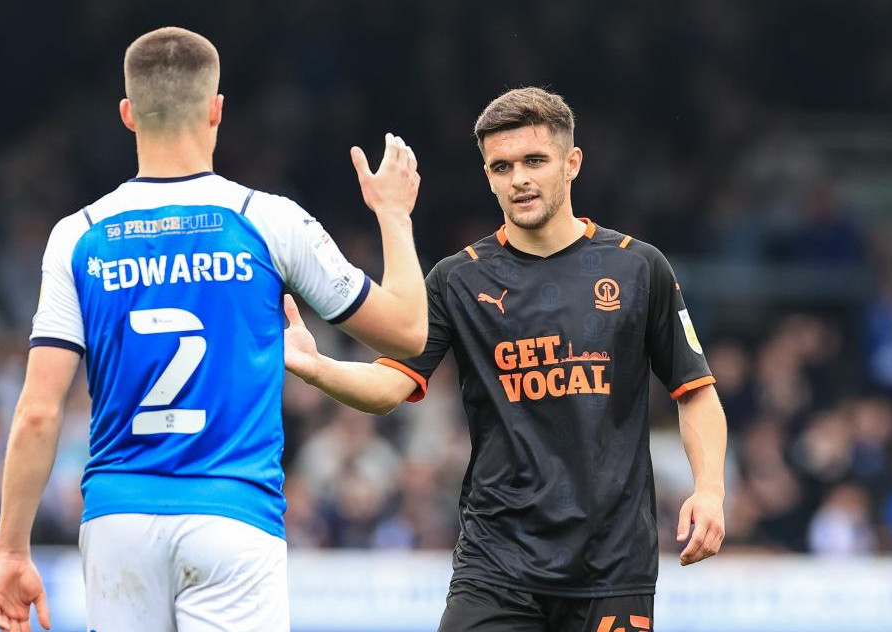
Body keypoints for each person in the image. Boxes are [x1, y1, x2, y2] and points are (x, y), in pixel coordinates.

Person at [0, 26, 426, 632]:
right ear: (218, 109)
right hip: (233, 517)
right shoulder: (268, 220)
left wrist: (12, 549)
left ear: (127, 114)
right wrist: (393, 216)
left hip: (119, 522)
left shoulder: (77, 235)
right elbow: (407, 331)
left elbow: (38, 412)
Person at [283, 87, 728, 631]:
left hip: (612, 566)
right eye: (502, 166)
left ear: (572, 163)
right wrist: (314, 366)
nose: (518, 178)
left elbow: (696, 391)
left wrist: (709, 489)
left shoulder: (639, 268)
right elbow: (387, 388)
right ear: (488, 176)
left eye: (534, 161)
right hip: (497, 564)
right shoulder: (458, 279)